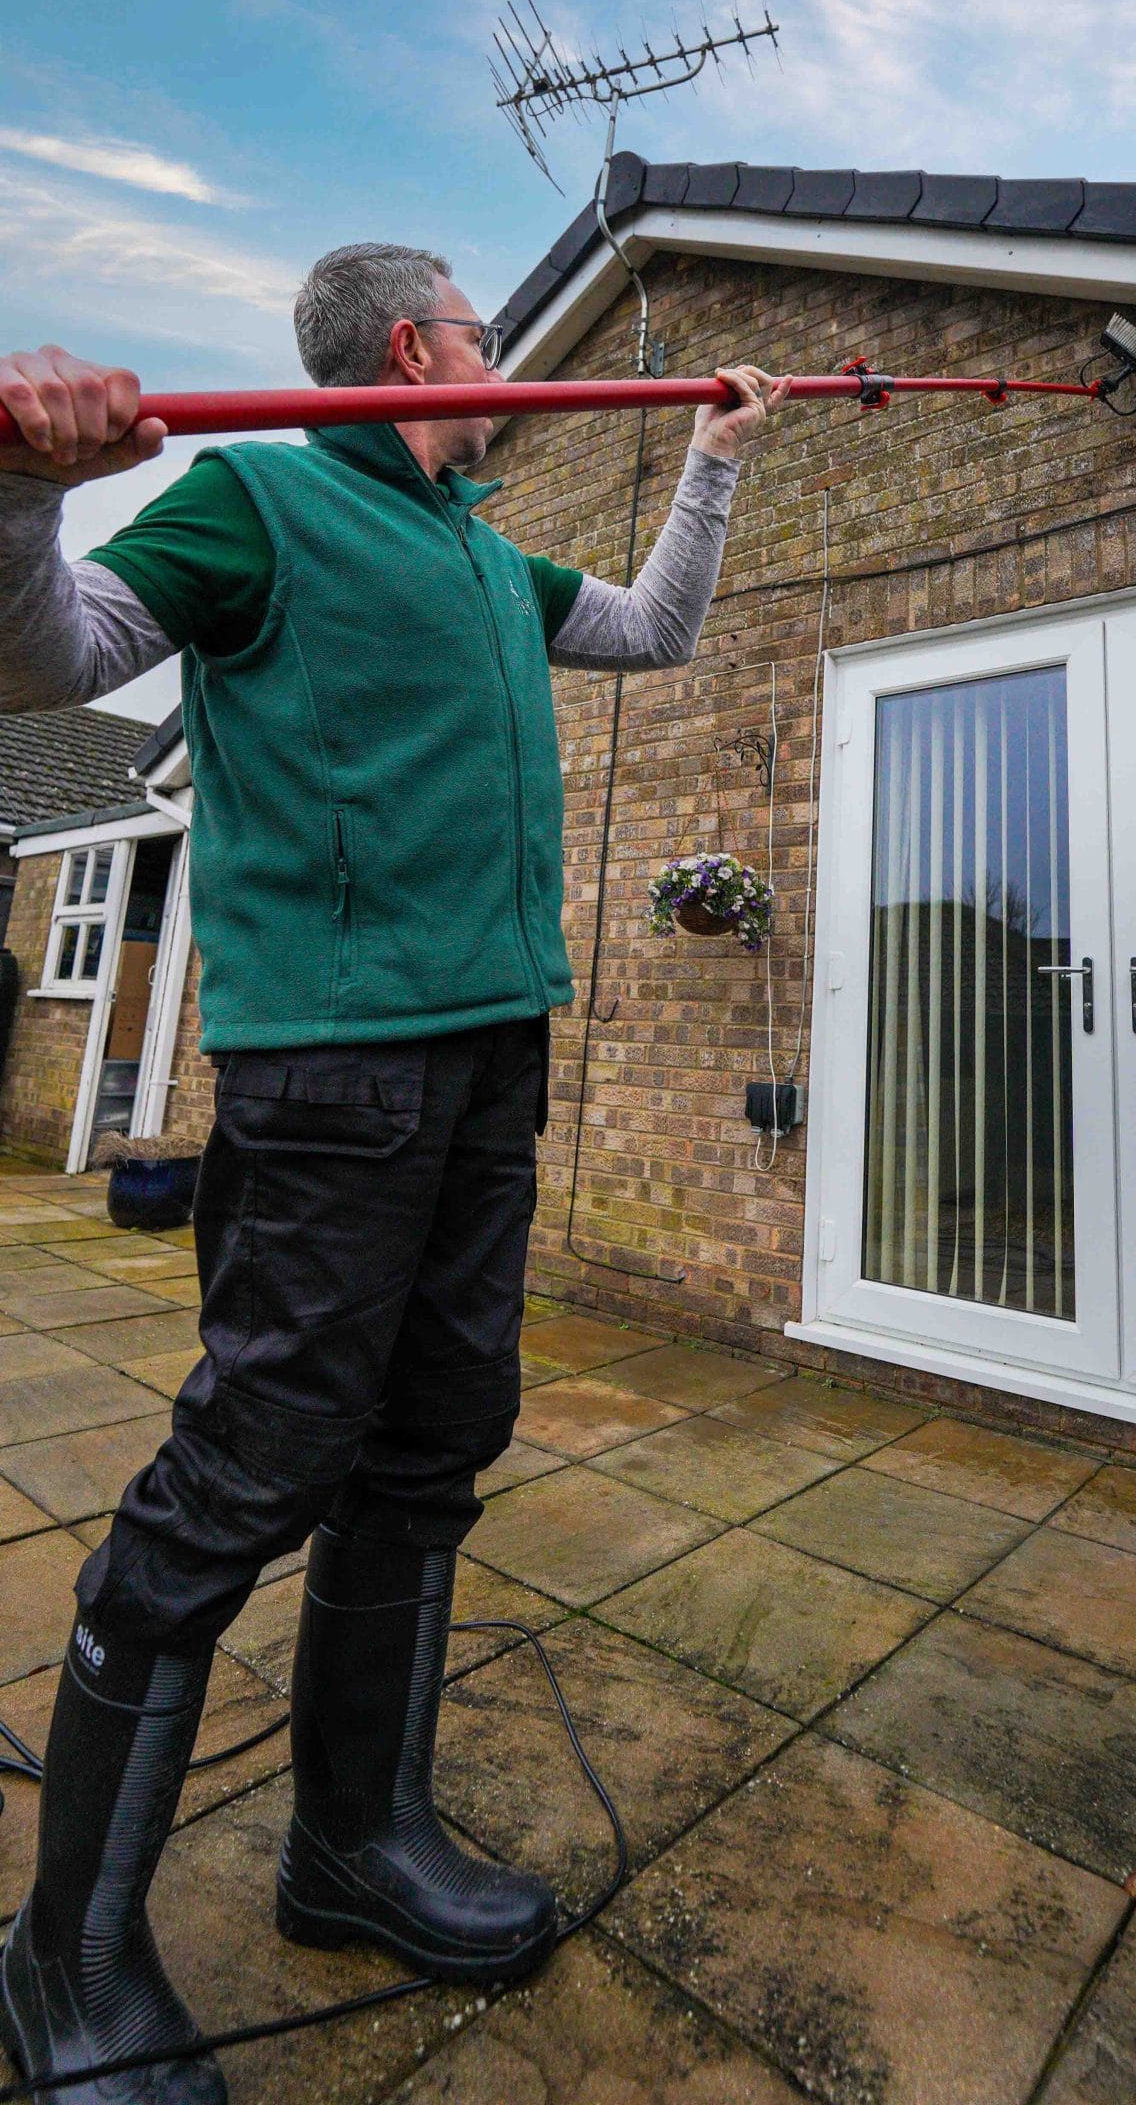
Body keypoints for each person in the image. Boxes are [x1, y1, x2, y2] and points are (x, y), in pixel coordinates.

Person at [0, 243, 788, 2105]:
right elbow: (50, 657)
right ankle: (61, 1966)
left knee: (435, 1444)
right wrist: (29, 486)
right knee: (250, 1467)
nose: (503, 348)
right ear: (420, 344)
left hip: (491, 1054)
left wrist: (724, 457)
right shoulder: (256, 497)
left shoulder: (486, 552)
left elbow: (658, 631)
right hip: (331, 1073)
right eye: (483, 323)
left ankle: (353, 1846)